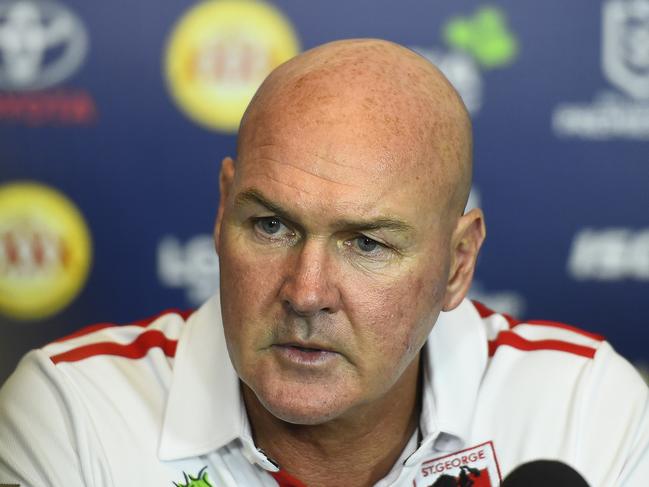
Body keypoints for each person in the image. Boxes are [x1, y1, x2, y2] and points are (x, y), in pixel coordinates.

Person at [0, 38, 647, 487]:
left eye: (365, 242)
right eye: (272, 224)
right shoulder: (71, 412)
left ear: (456, 263)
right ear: (223, 212)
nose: (306, 293)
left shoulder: (583, 411)